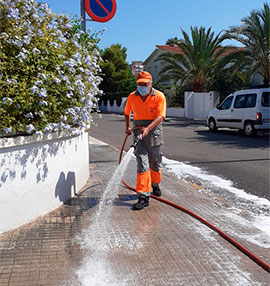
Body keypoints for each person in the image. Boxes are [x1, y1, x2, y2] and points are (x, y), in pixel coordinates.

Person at [124, 71, 166, 210]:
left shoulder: (159, 96)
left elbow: (160, 116)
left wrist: (148, 128)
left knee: (155, 162)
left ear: (150, 83)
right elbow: (126, 112)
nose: (142, 86)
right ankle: (143, 196)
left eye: (145, 84)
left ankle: (155, 184)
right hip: (138, 132)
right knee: (142, 163)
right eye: (139, 84)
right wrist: (128, 127)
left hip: (154, 132)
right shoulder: (132, 97)